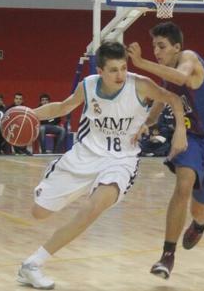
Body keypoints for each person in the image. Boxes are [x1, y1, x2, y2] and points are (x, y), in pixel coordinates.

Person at [17, 42, 186, 290]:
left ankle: (32, 264)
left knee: (93, 207)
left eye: (123, 68)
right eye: (114, 70)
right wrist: (28, 114)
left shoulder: (139, 84)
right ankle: (65, 178)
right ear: (100, 70)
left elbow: (172, 97)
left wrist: (178, 129)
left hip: (121, 161)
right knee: (39, 213)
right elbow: (64, 107)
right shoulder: (88, 85)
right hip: (85, 155)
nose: (120, 75)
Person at [127, 22, 204, 280]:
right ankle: (167, 255)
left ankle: (200, 223)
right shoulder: (168, 74)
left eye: (161, 46)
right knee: (183, 183)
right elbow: (160, 103)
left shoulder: (189, 58)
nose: (156, 50)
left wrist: (141, 62)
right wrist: (144, 124)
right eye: (154, 46)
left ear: (177, 47)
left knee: (199, 206)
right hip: (191, 138)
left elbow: (183, 77)